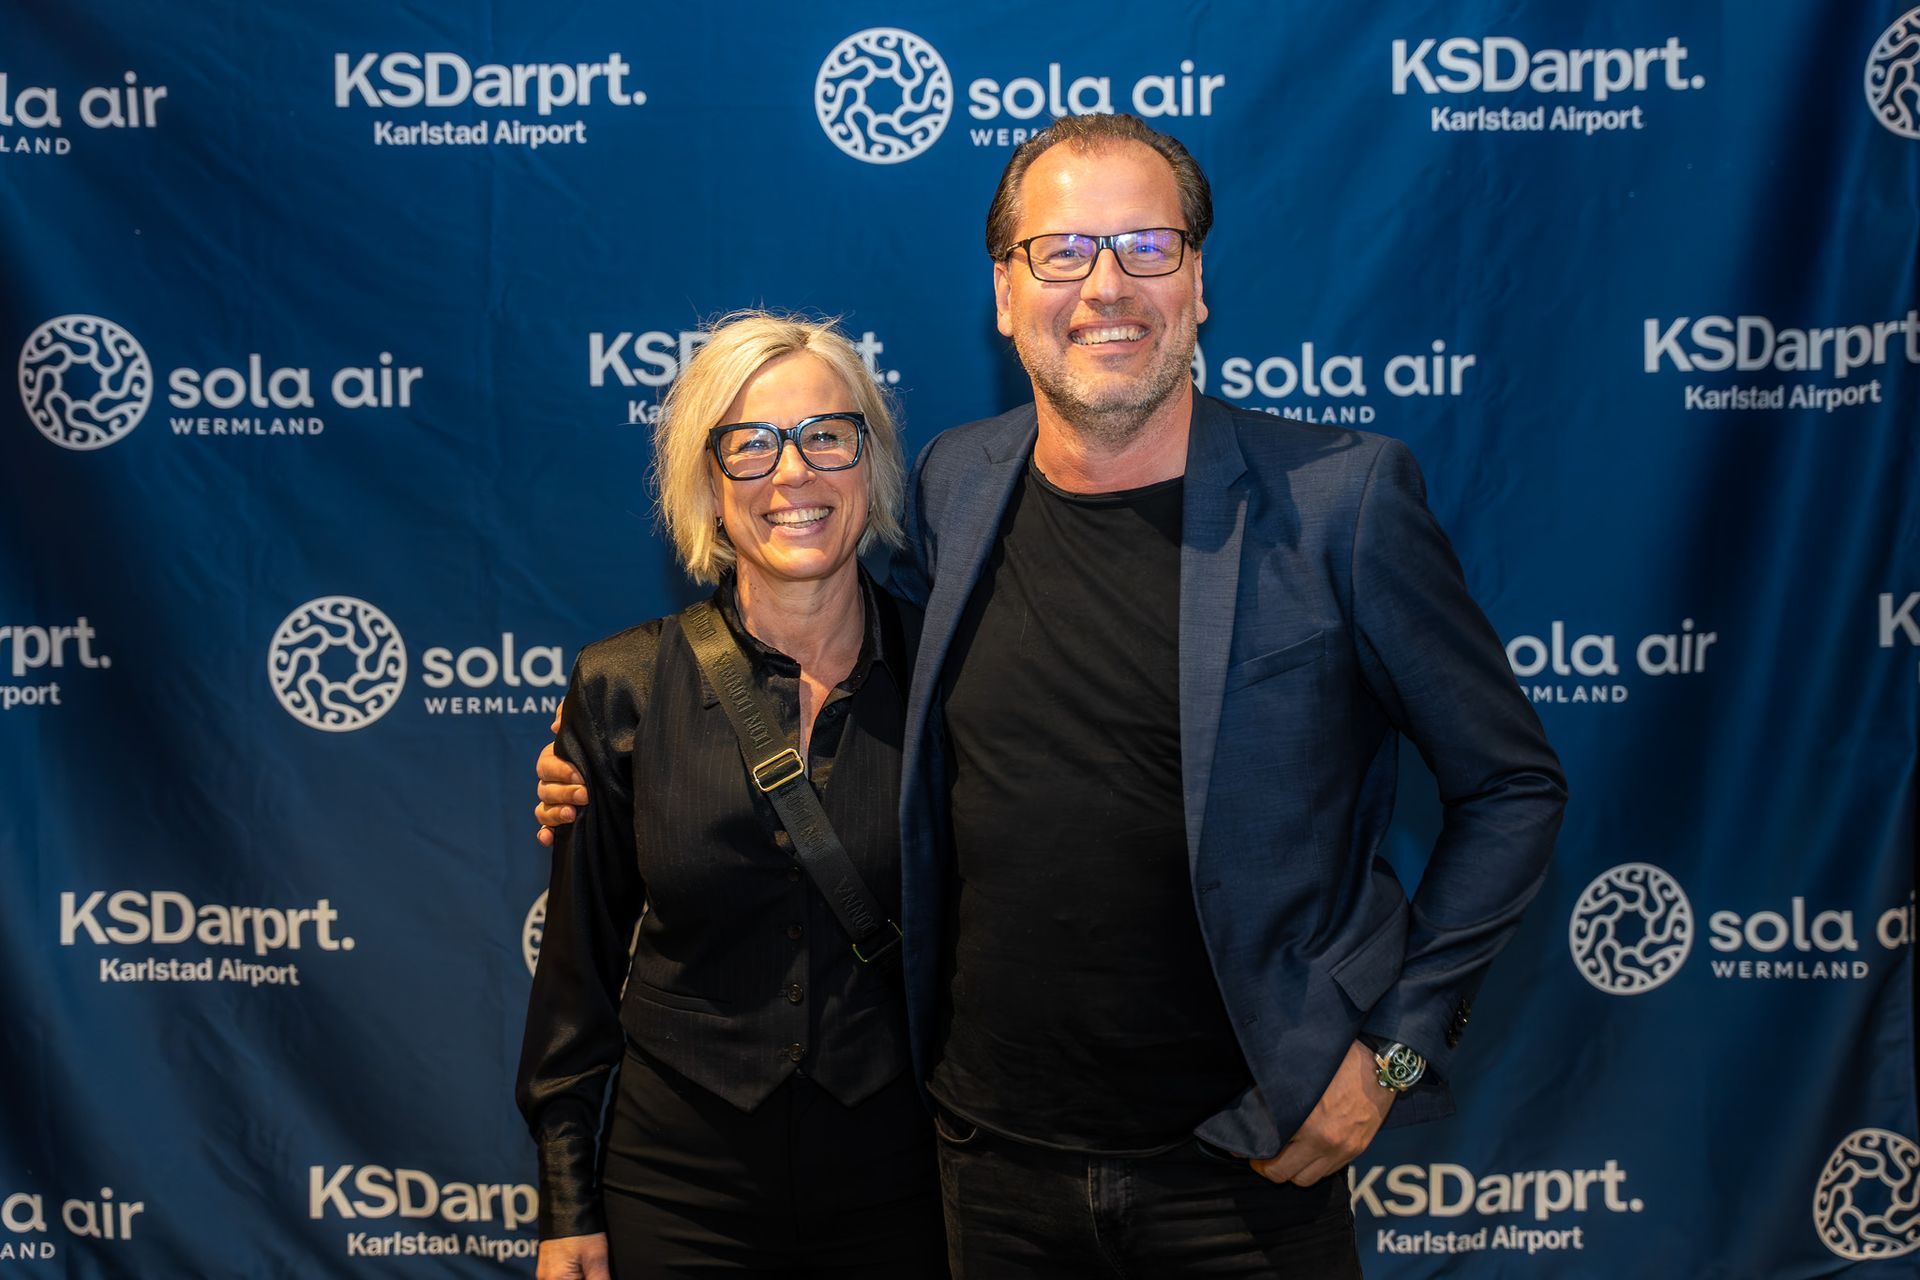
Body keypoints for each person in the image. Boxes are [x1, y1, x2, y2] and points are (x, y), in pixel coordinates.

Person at [538, 116, 1565, 1278]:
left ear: (1198, 282)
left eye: (1147, 246)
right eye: (1063, 251)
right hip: (989, 1171)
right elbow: (842, 670)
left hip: (1246, 1168)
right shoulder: (957, 484)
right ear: (1005, 293)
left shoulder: (1343, 500)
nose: (1106, 286)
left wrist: (1391, 1052)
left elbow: (1513, 785)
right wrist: (617, 756)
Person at [517, 312, 945, 1280]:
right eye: (750, 445)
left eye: (826, 435)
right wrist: (566, 1203)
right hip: (679, 1193)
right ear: (708, 486)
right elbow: (576, 976)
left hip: (906, 1185)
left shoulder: (952, 674)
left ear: (871, 463)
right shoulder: (623, 686)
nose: (792, 473)